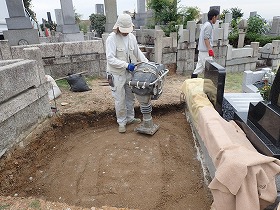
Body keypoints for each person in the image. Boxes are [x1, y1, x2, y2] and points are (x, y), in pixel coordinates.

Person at [106, 14, 149, 133]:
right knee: (120, 99)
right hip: (116, 74)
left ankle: (130, 118)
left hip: (130, 73)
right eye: (123, 31)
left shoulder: (131, 37)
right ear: (118, 27)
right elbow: (110, 59)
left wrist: (147, 63)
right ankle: (121, 122)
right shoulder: (112, 39)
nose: (125, 33)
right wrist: (126, 65)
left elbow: (137, 52)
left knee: (130, 97)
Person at [191, 9, 219, 78]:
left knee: (198, 68)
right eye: (217, 17)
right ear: (214, 17)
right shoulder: (208, 26)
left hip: (202, 50)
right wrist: (210, 50)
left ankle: (192, 81)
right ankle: (210, 85)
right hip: (205, 51)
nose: (217, 19)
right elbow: (206, 38)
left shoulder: (205, 24)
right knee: (210, 69)